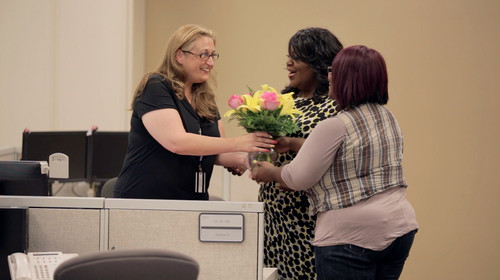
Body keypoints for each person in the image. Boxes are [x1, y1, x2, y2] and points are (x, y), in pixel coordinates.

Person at [252, 45, 418, 280]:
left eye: (334, 71)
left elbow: (297, 177)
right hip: (399, 229)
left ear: (348, 79)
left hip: (350, 237)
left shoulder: (335, 124)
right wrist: (292, 143)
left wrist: (271, 171)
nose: (329, 76)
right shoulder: (386, 116)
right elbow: (349, 157)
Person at [113, 24, 275, 200]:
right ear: (179, 55)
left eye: (213, 55)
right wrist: (239, 142)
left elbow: (217, 149)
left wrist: (247, 159)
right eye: (203, 55)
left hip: (192, 200)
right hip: (146, 200)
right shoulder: (155, 86)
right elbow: (176, 142)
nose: (211, 62)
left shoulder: (205, 96)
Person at [257, 27, 343, 280]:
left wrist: (292, 143)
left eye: (297, 57)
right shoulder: (281, 101)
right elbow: (263, 152)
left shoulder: (334, 103)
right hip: (273, 214)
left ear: (319, 63)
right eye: (289, 56)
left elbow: (335, 150)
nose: (288, 63)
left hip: (308, 219)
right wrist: (258, 158)